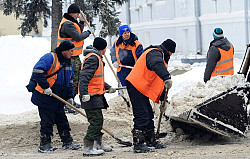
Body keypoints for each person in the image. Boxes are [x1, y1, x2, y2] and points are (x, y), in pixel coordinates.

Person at [125, 39, 176, 153]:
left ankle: (150, 140)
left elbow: (156, 80)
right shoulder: (155, 53)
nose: (171, 55)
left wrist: (163, 98)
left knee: (148, 113)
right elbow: (156, 64)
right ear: (168, 50)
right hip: (136, 85)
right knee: (142, 113)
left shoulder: (159, 55)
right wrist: (166, 77)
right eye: (171, 53)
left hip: (142, 87)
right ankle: (138, 143)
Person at [31, 40, 81, 153]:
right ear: (64, 51)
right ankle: (44, 145)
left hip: (59, 97)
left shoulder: (68, 63)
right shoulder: (50, 58)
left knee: (62, 120)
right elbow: (37, 71)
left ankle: (67, 141)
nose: (73, 53)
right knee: (47, 121)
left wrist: (69, 96)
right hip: (45, 96)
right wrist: (45, 87)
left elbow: (70, 82)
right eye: (71, 51)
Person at [79, 37, 116, 156]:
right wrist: (84, 94)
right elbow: (84, 77)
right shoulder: (93, 59)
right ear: (103, 49)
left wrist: (108, 87)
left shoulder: (95, 58)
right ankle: (88, 148)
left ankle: (98, 144)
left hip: (95, 94)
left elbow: (96, 78)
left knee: (98, 120)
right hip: (90, 96)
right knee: (96, 121)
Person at [57, 3, 94, 106]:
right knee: (71, 79)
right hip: (69, 57)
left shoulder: (71, 22)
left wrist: (81, 22)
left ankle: (71, 101)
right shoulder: (67, 24)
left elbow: (78, 30)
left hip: (74, 56)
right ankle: (68, 103)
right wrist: (89, 32)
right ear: (72, 13)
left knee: (76, 79)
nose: (78, 16)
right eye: (77, 14)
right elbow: (78, 37)